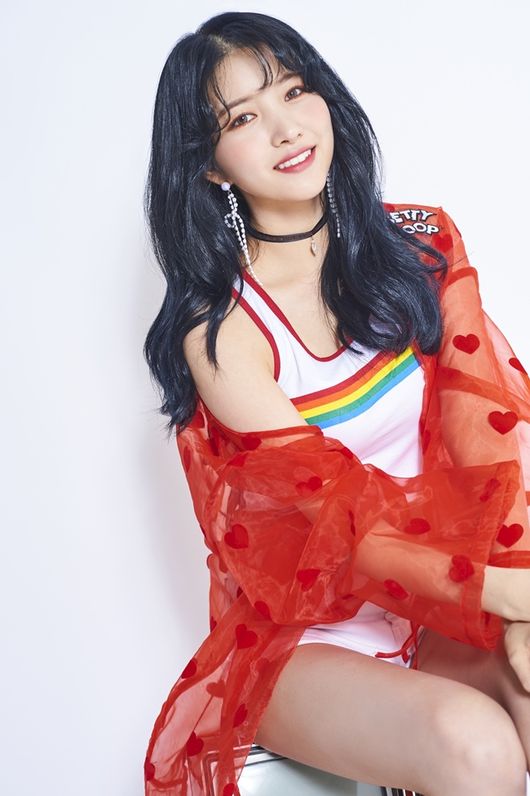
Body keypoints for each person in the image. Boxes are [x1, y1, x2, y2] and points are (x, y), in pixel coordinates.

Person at [142, 11, 530, 796]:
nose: (286, 128)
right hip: (311, 636)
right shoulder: (221, 332)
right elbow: (337, 523)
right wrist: (509, 596)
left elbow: (488, 433)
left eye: (294, 91)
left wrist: (519, 597)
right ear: (209, 165)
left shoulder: (419, 243)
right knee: (478, 750)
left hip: (443, 604)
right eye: (243, 118)